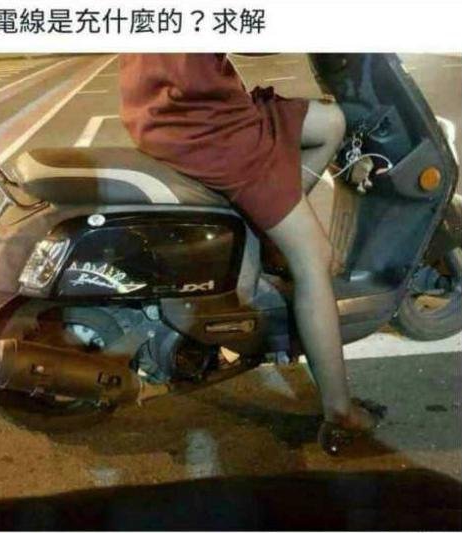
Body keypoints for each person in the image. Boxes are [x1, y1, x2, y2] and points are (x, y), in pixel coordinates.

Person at [119, 53, 377, 435]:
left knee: (330, 122)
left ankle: (267, 225)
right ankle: (339, 411)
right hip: (209, 129)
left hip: (163, 108)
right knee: (314, 258)